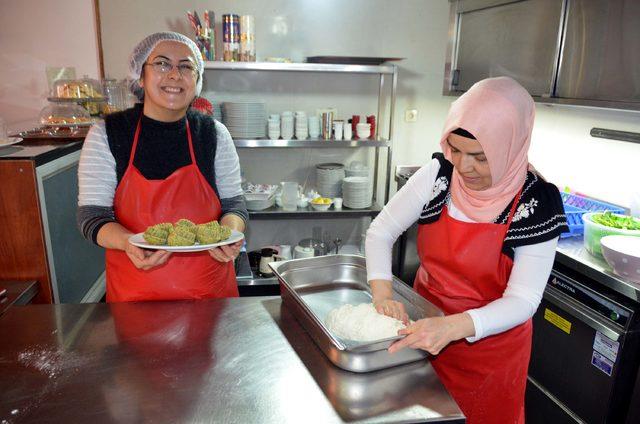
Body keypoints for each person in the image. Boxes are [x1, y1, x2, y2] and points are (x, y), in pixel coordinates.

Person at [365, 77, 568, 423]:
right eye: (455, 150)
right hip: (423, 335)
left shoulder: (536, 203)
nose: (463, 167)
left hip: (491, 356)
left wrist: (453, 327)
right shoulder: (439, 175)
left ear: (511, 147)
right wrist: (383, 293)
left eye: (480, 157)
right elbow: (381, 231)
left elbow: (523, 300)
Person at [78, 32, 247, 302]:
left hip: (210, 299)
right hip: (135, 301)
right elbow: (92, 217)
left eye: (186, 66)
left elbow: (234, 206)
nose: (174, 75)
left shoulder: (214, 134)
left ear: (197, 79)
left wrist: (229, 234)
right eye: (162, 64)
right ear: (141, 76)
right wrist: (128, 243)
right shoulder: (107, 134)